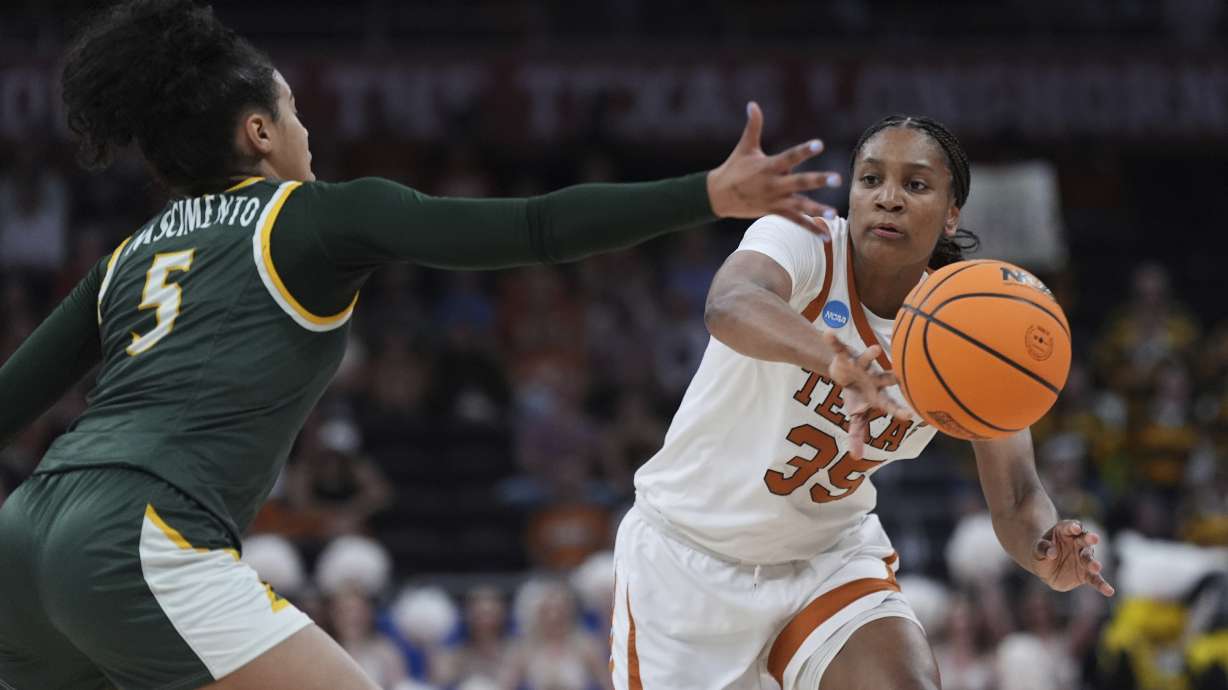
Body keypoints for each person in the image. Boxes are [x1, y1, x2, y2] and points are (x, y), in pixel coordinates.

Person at [0, 1, 844, 688]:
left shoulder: (126, 258)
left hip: (26, 533)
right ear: (259, 133)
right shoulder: (316, 215)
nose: (305, 135)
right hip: (137, 531)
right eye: (293, 113)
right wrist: (706, 193)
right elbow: (534, 226)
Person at [609, 114, 1115, 690]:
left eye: (916, 185)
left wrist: (1046, 551)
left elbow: (1019, 495)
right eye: (870, 180)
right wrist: (836, 362)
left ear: (953, 212)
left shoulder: (975, 326)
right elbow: (729, 303)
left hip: (826, 557)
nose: (888, 200)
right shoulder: (802, 237)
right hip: (687, 560)